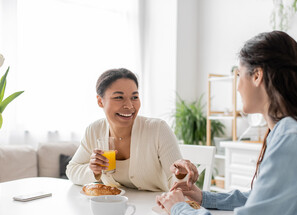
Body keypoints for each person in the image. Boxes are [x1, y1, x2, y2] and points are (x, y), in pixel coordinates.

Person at [156, 31, 297, 215]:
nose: (237, 87)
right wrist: (204, 197)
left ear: (257, 75)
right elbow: (263, 200)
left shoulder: (293, 138)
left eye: (238, 75)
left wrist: (180, 209)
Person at [66, 68, 198, 191]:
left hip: (153, 207)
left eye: (134, 97)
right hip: (115, 208)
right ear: (100, 101)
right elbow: (72, 170)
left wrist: (180, 175)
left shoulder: (157, 130)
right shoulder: (94, 130)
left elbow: (179, 183)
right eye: (119, 97)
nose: (129, 106)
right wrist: (94, 171)